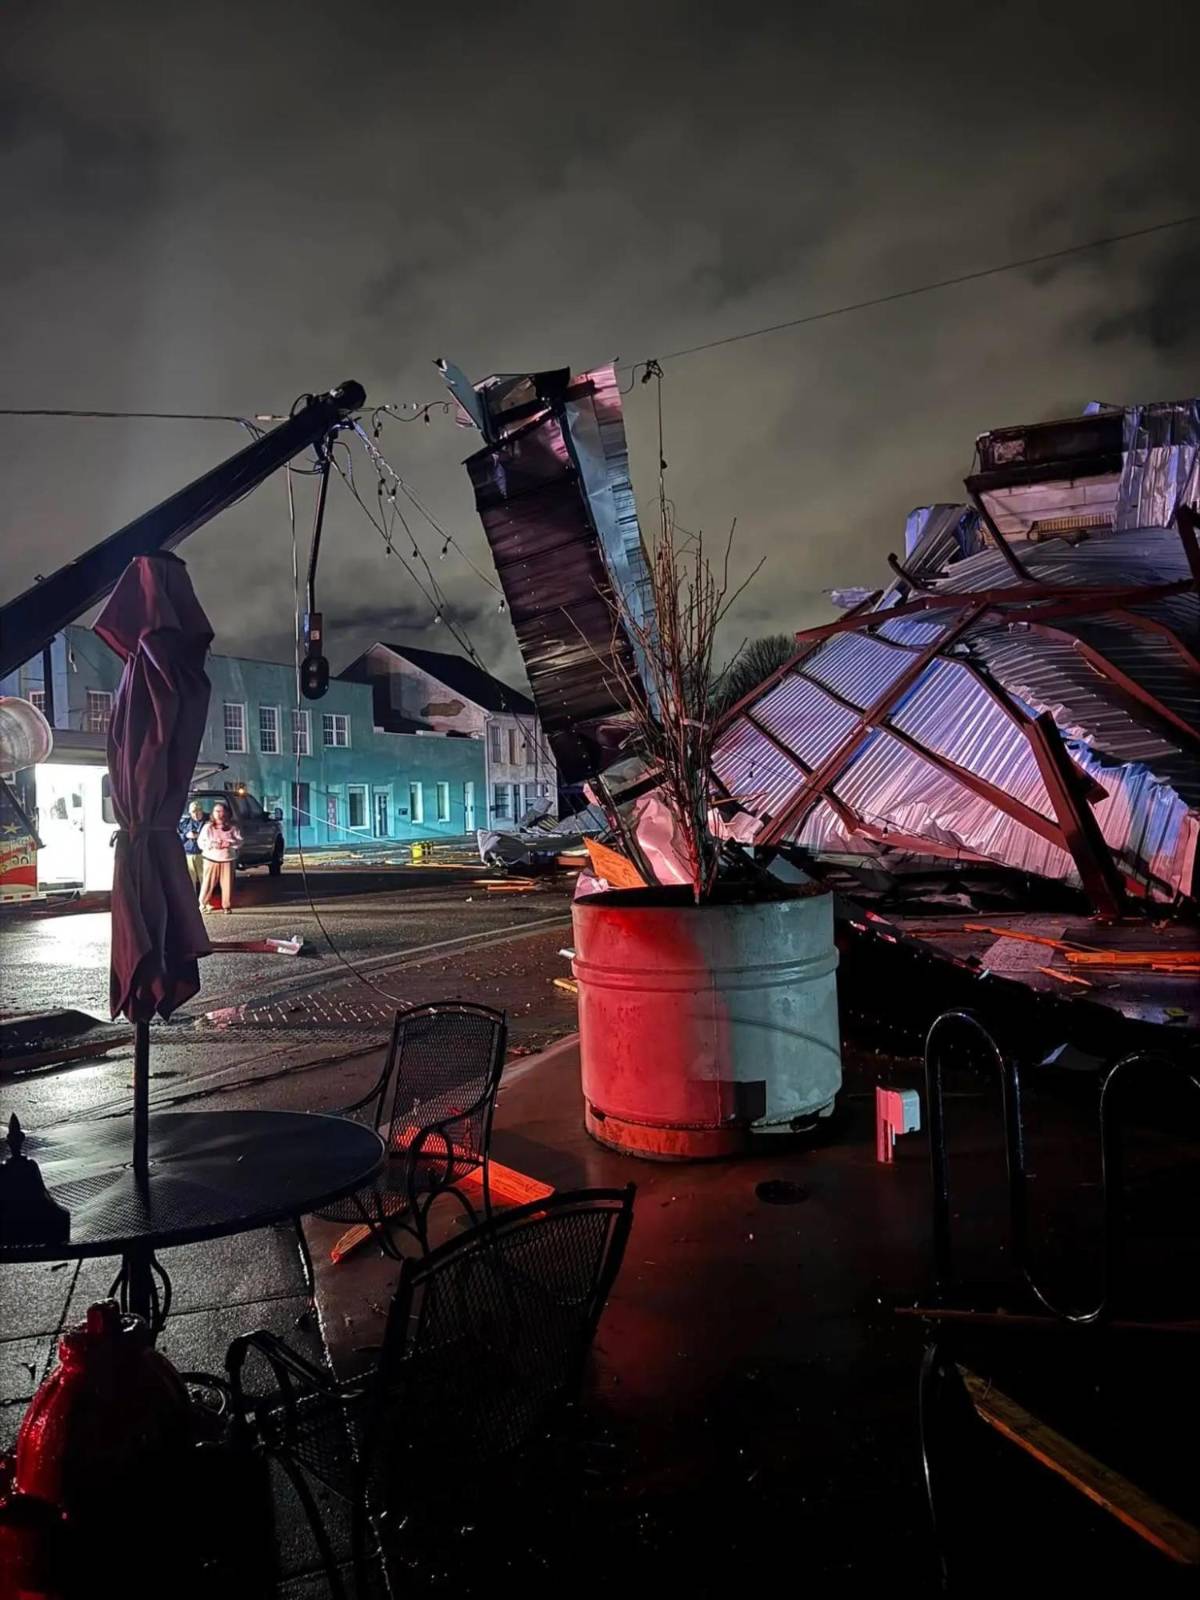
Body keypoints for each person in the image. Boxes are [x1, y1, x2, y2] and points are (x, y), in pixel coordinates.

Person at [197, 800, 242, 913]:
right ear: (213, 813)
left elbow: (240, 841)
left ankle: (226, 906)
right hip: (211, 858)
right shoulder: (208, 827)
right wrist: (211, 844)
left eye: (222, 811)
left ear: (227, 813)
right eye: (217, 811)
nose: (220, 814)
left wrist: (230, 843)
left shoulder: (233, 827)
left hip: (227, 858)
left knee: (227, 884)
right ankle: (203, 903)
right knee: (208, 883)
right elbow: (201, 842)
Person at [178, 799, 207, 895]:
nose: (196, 814)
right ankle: (193, 901)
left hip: (203, 854)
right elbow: (178, 838)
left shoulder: (207, 823)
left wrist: (201, 836)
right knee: (190, 879)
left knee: (205, 879)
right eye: (193, 812)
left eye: (198, 811)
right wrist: (186, 835)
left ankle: (205, 903)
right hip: (189, 854)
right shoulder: (184, 824)